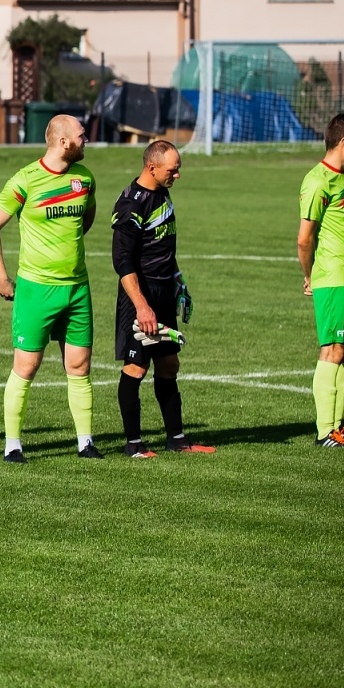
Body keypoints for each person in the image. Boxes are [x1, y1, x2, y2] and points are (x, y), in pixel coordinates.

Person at [0, 115, 99, 464]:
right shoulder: (25, 180)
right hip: (36, 290)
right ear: (64, 143)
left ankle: (85, 442)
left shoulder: (85, 179)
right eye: (81, 135)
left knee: (79, 365)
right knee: (27, 366)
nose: (86, 139)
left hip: (77, 289)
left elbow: (85, 218)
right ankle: (13, 445)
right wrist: (2, 277)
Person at [111, 140, 214, 457]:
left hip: (165, 290)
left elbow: (163, 246)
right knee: (136, 367)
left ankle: (177, 440)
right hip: (140, 296)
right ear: (152, 167)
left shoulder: (162, 193)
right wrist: (142, 306)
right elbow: (122, 261)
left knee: (169, 365)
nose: (177, 175)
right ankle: (134, 445)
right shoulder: (131, 205)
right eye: (173, 170)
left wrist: (178, 279)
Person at [298, 113, 344, 448]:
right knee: (334, 349)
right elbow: (304, 238)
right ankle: (325, 430)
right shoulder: (317, 182)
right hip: (333, 278)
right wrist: (309, 275)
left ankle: (338, 426)